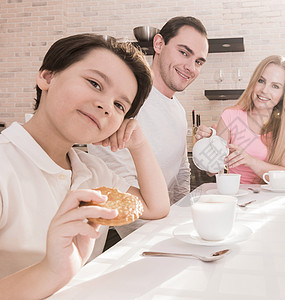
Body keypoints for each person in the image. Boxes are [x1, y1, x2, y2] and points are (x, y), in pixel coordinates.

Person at [0, 33, 170, 298]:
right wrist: (51, 271)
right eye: (95, 83)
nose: (105, 106)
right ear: (47, 77)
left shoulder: (92, 171)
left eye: (119, 106)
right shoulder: (5, 166)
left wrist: (138, 144)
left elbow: (156, 207)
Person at [88, 16, 209, 205]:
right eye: (184, 53)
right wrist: (158, 227)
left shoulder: (178, 110)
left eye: (199, 62)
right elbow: (117, 185)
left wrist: (180, 214)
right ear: (159, 44)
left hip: (162, 222)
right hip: (126, 229)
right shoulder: (125, 99)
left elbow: (181, 171)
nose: (190, 67)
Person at [195, 55, 285, 184]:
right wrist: (207, 145)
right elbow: (212, 170)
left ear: (284, 94)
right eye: (261, 81)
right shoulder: (230, 116)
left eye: (275, 86)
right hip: (236, 197)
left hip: (271, 198)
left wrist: (250, 161)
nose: (264, 90)